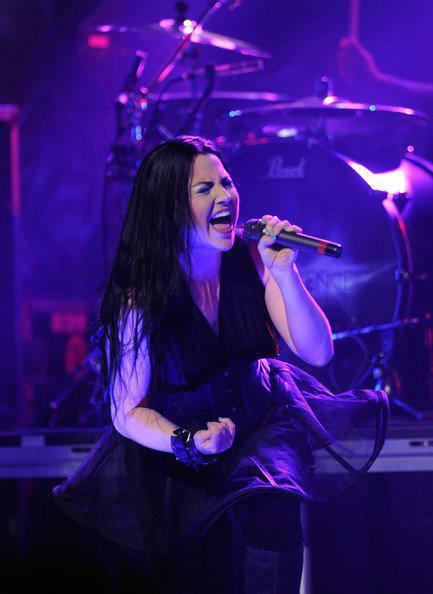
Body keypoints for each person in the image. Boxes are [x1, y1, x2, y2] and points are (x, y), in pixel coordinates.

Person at [53, 136, 388, 593]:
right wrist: (189, 441)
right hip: (180, 446)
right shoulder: (141, 299)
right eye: (204, 188)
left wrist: (285, 271)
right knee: (202, 567)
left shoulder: (251, 261)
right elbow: (126, 411)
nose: (225, 195)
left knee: (274, 521)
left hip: (258, 430)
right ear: (169, 208)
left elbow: (318, 351)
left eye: (226, 183)